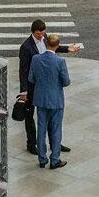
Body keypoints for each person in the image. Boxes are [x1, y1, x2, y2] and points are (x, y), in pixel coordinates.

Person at [18, 20, 81, 157]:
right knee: (30, 115)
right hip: (32, 85)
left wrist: (67, 49)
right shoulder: (26, 47)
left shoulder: (45, 39)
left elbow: (52, 49)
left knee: (47, 118)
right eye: (38, 33)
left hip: (44, 84)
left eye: (43, 32)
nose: (41, 36)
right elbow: (23, 70)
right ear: (33, 32)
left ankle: (55, 144)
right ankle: (31, 143)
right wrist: (24, 91)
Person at [27, 34, 72, 169]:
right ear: (57, 46)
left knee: (41, 129)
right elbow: (66, 82)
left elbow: (31, 79)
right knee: (56, 130)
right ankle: (55, 159)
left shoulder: (35, 59)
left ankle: (42, 158)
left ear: (46, 43)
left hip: (40, 99)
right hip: (56, 100)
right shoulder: (60, 61)